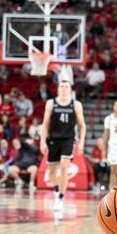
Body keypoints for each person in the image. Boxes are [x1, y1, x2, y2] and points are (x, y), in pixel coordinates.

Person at [40, 80, 86, 212]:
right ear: (58, 89)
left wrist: (81, 142)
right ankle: (57, 188)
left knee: (64, 167)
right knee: (52, 173)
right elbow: (45, 124)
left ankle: (60, 198)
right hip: (53, 139)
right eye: (62, 86)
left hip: (68, 139)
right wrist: (42, 141)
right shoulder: (51, 103)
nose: (64, 88)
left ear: (70, 90)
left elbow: (82, 125)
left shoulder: (76, 105)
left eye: (66, 87)